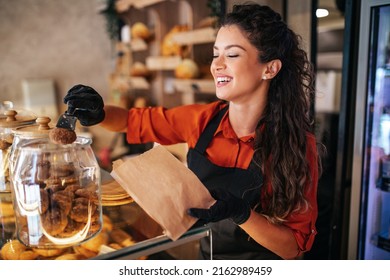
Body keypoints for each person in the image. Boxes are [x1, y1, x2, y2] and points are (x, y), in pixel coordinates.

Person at [63, 3, 321, 260]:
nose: (216, 65)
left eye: (231, 55)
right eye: (215, 54)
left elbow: (293, 248)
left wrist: (243, 214)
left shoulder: (296, 146)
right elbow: (133, 121)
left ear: (270, 68)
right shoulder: (203, 120)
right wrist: (99, 113)